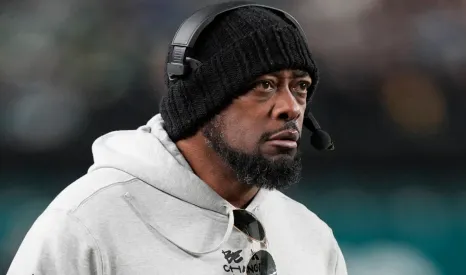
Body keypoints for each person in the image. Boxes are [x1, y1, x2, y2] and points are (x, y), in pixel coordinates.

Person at [8, 2, 348, 275]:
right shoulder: (86, 223)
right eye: (264, 86)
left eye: (301, 86)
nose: (291, 108)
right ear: (205, 100)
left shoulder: (312, 238)